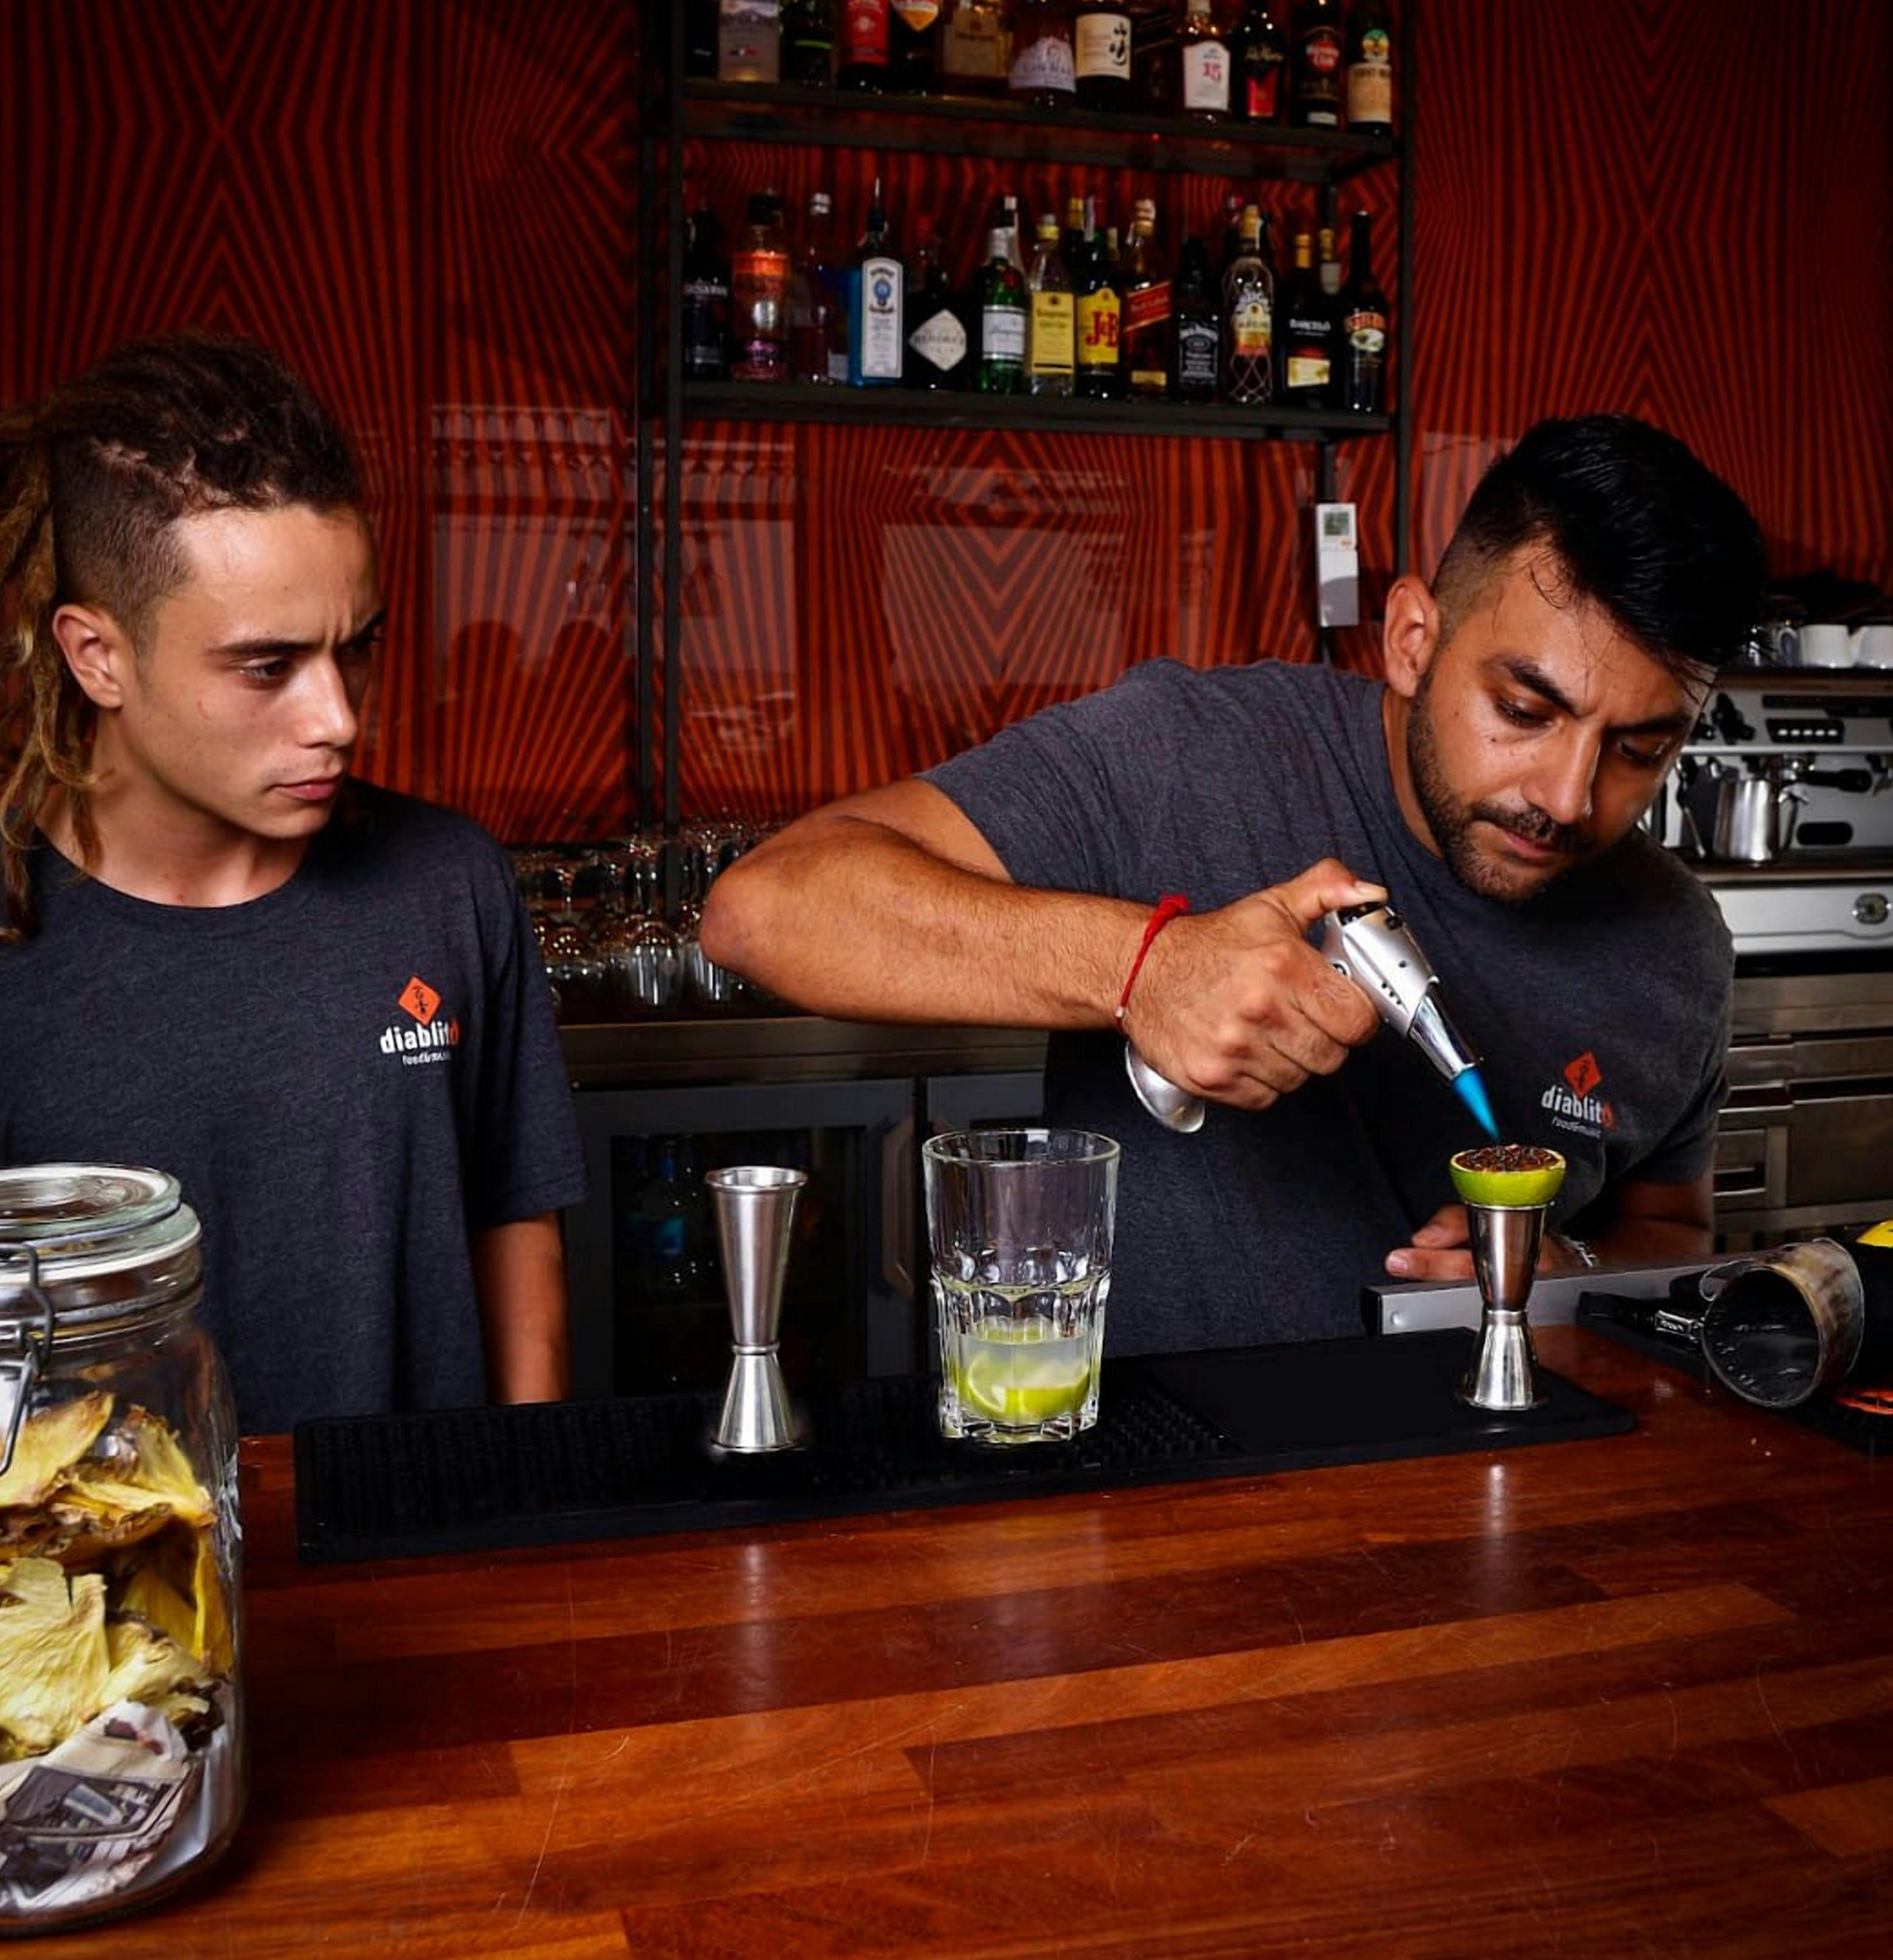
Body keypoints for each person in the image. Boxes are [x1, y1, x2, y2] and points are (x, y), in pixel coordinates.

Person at [700, 415, 1768, 1359]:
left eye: (1639, 747)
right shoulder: (1187, 755)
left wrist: (1567, 1267)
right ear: (1412, 639)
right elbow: (769, 906)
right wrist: (1143, 967)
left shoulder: (1675, 945)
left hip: (1511, 1513)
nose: (1570, 797)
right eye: (1526, 709)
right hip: (1162, 1510)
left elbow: (1670, 1232)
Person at [0, 332, 586, 1432]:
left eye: (356, 649)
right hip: (102, 1588)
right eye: (267, 665)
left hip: (418, 1563)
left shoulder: (448, 885)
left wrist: (520, 1507)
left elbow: (515, 1227)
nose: (338, 717)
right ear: (97, 655)